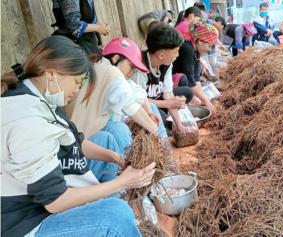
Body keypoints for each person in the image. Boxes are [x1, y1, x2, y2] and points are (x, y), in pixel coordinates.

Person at [1, 36, 155, 237]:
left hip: (42, 189)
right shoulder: (28, 121)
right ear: (52, 74)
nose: (77, 89)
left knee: (106, 140)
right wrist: (121, 182)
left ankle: (114, 201)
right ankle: (115, 213)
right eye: (76, 81)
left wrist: (116, 158)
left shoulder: (39, 96)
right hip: (27, 221)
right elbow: (56, 202)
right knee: (116, 216)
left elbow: (76, 140)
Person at [66, 37, 167, 154]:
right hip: (81, 148)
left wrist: (149, 113)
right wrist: (156, 132)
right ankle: (147, 159)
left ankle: (160, 153)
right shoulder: (111, 72)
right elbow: (129, 106)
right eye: (131, 66)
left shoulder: (102, 68)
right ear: (116, 58)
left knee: (150, 108)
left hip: (83, 140)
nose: (131, 72)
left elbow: (138, 92)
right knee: (119, 129)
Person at [131, 24, 194, 133]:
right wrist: (168, 104)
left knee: (187, 92)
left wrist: (180, 126)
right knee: (165, 127)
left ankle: (166, 115)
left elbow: (168, 94)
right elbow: (139, 101)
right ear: (161, 55)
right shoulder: (140, 68)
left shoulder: (167, 64)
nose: (178, 55)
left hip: (158, 100)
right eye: (176, 52)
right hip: (142, 107)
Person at [173, 22, 218, 112]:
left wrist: (203, 99)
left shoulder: (195, 49)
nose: (209, 49)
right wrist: (205, 100)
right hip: (174, 82)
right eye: (209, 46)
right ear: (200, 41)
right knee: (194, 98)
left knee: (199, 99)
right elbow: (190, 81)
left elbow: (196, 78)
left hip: (183, 80)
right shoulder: (187, 49)